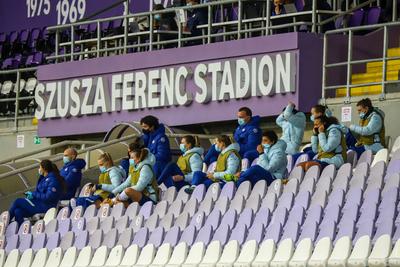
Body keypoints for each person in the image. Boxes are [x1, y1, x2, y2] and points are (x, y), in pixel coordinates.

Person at [9, 160, 65, 225]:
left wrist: (34, 194)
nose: (39, 169)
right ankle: (20, 231)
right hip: (38, 203)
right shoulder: (43, 178)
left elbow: (48, 197)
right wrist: (31, 196)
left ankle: (4, 223)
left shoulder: (53, 180)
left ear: (44, 169)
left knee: (17, 201)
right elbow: (39, 193)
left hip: (46, 206)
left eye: (40, 167)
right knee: (18, 211)